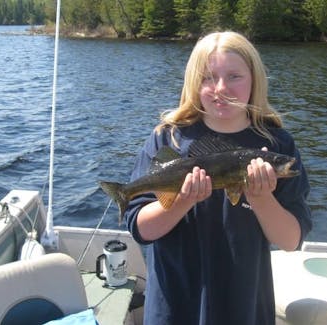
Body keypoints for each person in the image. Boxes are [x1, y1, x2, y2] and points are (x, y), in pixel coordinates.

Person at [124, 31, 312, 325]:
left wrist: (261, 199)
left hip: (244, 305)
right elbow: (140, 229)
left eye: (234, 76)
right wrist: (182, 201)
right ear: (193, 83)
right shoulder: (167, 139)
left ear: (255, 79)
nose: (221, 88)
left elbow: (290, 240)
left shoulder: (277, 145)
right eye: (208, 77)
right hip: (175, 306)